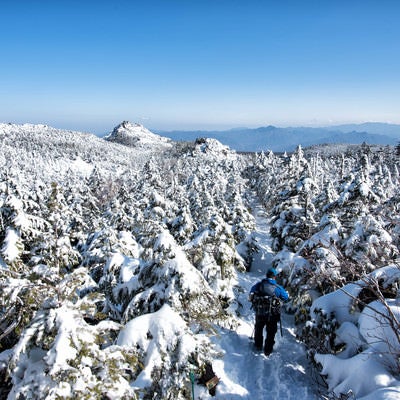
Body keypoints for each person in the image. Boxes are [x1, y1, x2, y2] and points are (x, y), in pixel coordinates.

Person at [249, 267, 289, 356]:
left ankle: (258, 345)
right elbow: (286, 297)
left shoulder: (259, 285)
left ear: (266, 275)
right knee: (271, 331)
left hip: (260, 312)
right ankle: (268, 350)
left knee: (258, 328)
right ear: (274, 277)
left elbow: (251, 292)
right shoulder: (278, 288)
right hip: (273, 314)